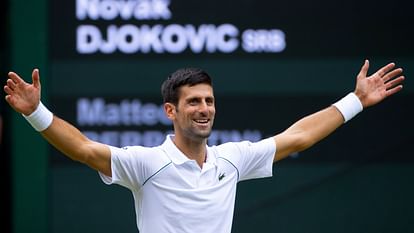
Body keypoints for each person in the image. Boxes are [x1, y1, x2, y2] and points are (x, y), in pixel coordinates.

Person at [4, 60, 404, 233]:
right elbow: (83, 149)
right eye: (193, 101)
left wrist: (355, 101)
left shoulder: (232, 159)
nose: (204, 108)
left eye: (209, 101)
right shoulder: (147, 163)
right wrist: (35, 111)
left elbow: (299, 137)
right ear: (170, 111)